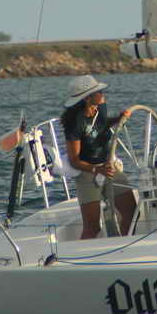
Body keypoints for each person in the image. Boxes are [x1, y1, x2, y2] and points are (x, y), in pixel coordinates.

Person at [60, 75, 136, 239]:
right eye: (98, 92)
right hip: (87, 173)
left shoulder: (100, 106)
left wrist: (118, 119)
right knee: (92, 227)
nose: (102, 94)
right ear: (87, 98)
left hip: (108, 167)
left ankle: (124, 247)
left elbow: (102, 123)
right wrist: (96, 169)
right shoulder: (74, 123)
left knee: (131, 211)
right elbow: (74, 160)